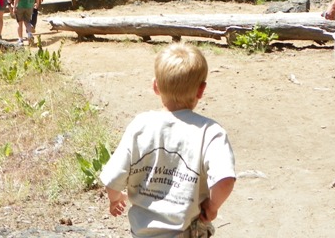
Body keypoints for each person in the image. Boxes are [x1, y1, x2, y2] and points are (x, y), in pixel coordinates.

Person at [100, 43, 236, 238]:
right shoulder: (210, 132)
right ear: (201, 90)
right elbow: (225, 179)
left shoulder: (140, 126)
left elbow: (113, 179)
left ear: (155, 86)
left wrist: (115, 199)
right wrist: (212, 207)